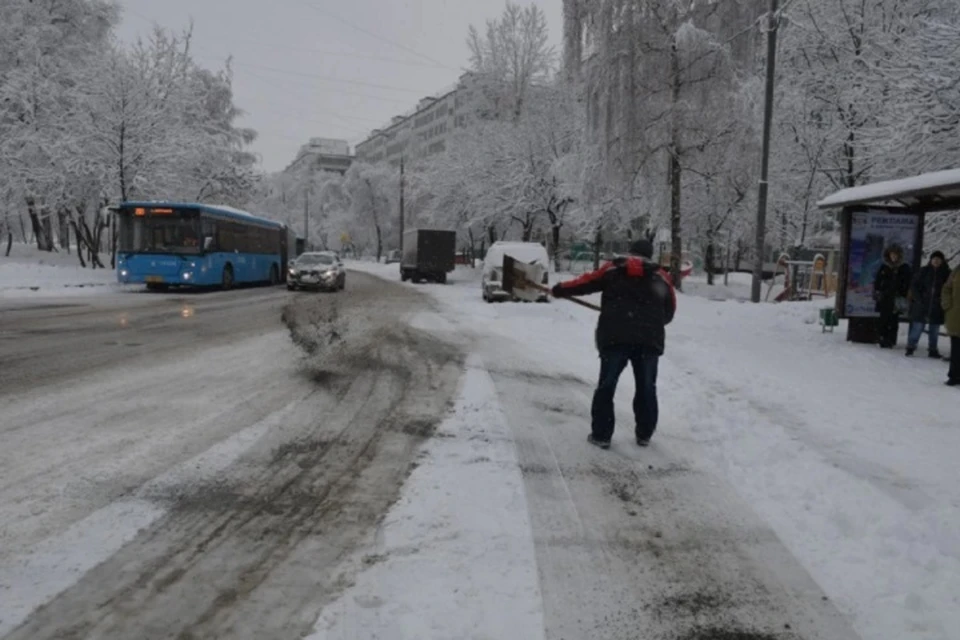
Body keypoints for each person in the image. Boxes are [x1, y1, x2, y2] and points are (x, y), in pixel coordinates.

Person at [551, 239, 676, 449]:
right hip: (648, 340)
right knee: (646, 387)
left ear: (630, 251)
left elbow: (585, 283)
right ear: (650, 254)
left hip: (614, 336)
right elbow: (670, 311)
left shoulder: (613, 269)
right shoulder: (661, 276)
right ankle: (644, 433)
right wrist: (650, 321)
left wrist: (560, 289)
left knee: (607, 386)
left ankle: (602, 435)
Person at [906, 251, 951, 357]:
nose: (936, 261)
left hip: (937, 305)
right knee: (917, 327)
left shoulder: (946, 273)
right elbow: (914, 285)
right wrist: (918, 298)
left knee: (934, 329)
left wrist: (942, 299)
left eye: (938, 259)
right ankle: (911, 347)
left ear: (942, 261)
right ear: (930, 260)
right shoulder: (924, 271)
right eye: (934, 259)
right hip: (922, 304)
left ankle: (932, 349)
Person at [872, 245, 911, 348]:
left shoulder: (904, 267)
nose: (893, 257)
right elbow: (878, 281)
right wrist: (878, 292)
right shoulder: (884, 267)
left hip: (897, 298)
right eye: (892, 255)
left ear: (899, 256)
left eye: (896, 255)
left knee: (893, 320)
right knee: (883, 319)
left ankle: (891, 340)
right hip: (885, 297)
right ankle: (882, 338)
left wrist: (903, 292)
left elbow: (907, 282)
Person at [941, 263, 960, 387]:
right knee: (956, 349)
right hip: (956, 315)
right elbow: (946, 288)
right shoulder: (956, 270)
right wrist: (948, 305)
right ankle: (954, 376)